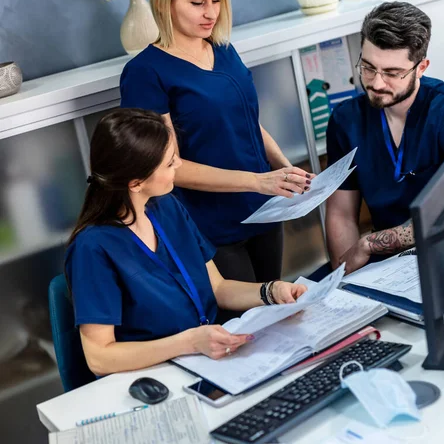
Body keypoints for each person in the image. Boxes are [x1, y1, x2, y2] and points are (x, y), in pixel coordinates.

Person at [120, 0, 314, 284]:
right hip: (208, 227)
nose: (211, 13)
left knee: (276, 311)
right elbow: (168, 166)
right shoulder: (145, 73)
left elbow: (248, 123)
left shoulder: (224, 50)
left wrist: (284, 167)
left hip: (264, 209)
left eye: (217, 0)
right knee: (243, 325)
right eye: (197, 3)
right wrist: (257, 181)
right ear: (165, 2)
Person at [64, 109, 307, 376]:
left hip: (208, 357)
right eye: (169, 163)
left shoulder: (168, 207)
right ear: (136, 183)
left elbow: (218, 287)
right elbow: (99, 357)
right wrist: (189, 342)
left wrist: (271, 292)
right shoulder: (92, 249)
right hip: (156, 373)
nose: (179, 165)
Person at [325, 1, 444, 275]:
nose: (377, 83)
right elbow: (341, 212)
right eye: (368, 67)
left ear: (421, 67)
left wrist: (370, 244)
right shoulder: (346, 121)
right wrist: (345, 276)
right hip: (384, 267)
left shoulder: (441, 112)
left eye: (392, 73)